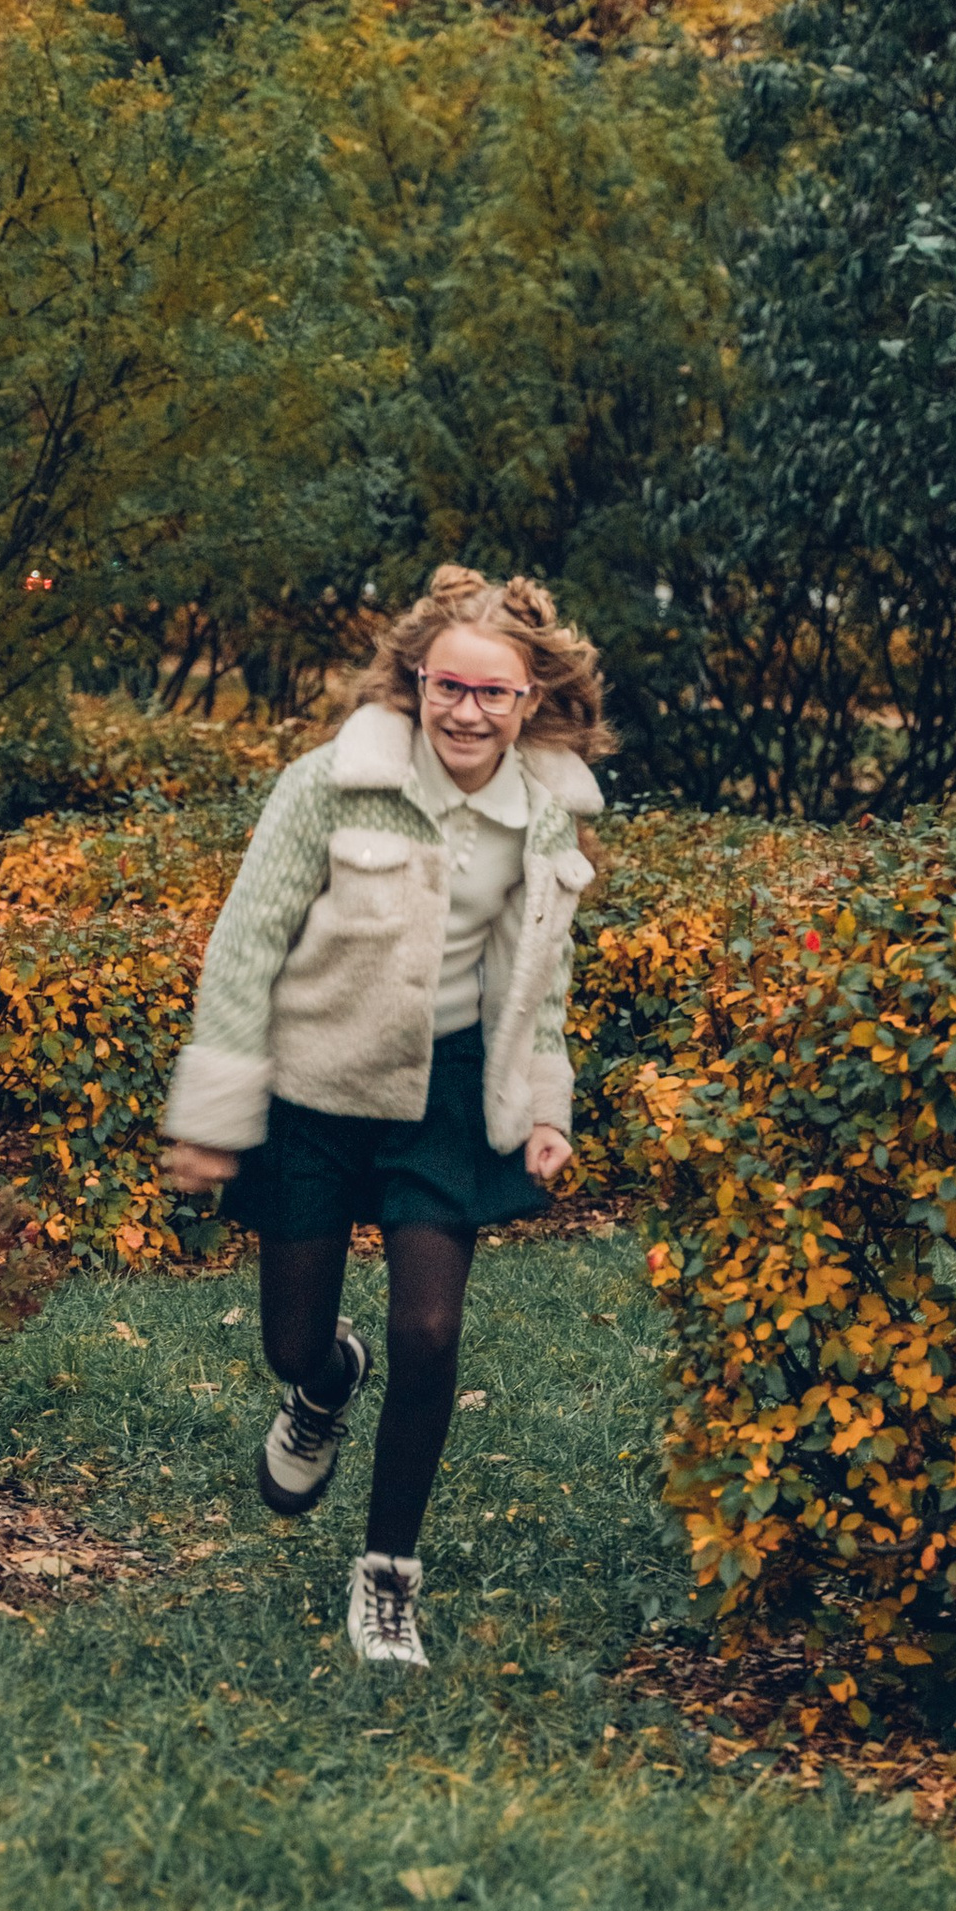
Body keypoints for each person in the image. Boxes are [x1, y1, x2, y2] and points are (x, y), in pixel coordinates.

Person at [161, 566, 608, 1667]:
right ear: (415, 680)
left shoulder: (541, 819)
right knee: (290, 1337)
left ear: (531, 701)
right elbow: (243, 948)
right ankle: (322, 1382)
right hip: (315, 1086)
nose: (468, 711)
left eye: (494, 695)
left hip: (449, 1092)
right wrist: (214, 1113)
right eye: (449, 686)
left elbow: (539, 983)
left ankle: (387, 1579)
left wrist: (543, 1105)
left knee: (430, 1331)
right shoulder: (329, 784)